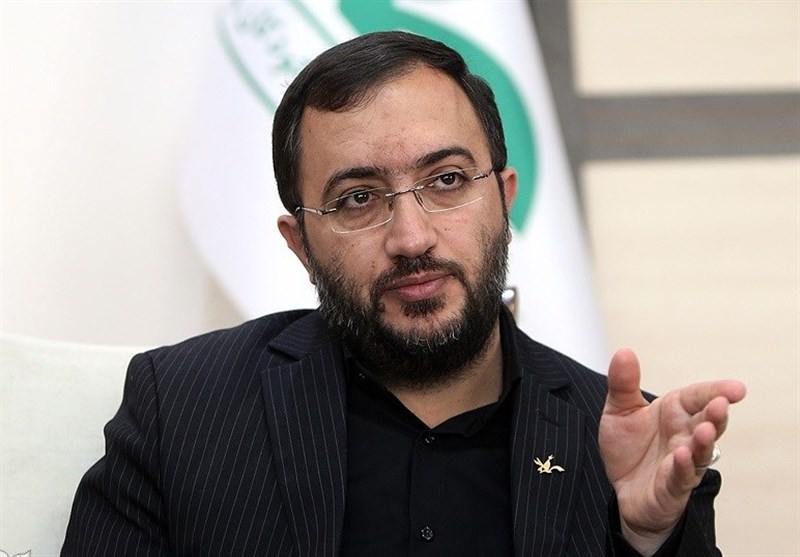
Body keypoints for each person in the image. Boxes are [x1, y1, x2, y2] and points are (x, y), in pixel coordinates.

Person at [62, 31, 745, 557]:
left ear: (504, 200)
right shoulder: (181, 410)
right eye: (358, 198)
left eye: (446, 180)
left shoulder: (625, 445)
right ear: (301, 244)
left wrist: (647, 542)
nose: (412, 237)